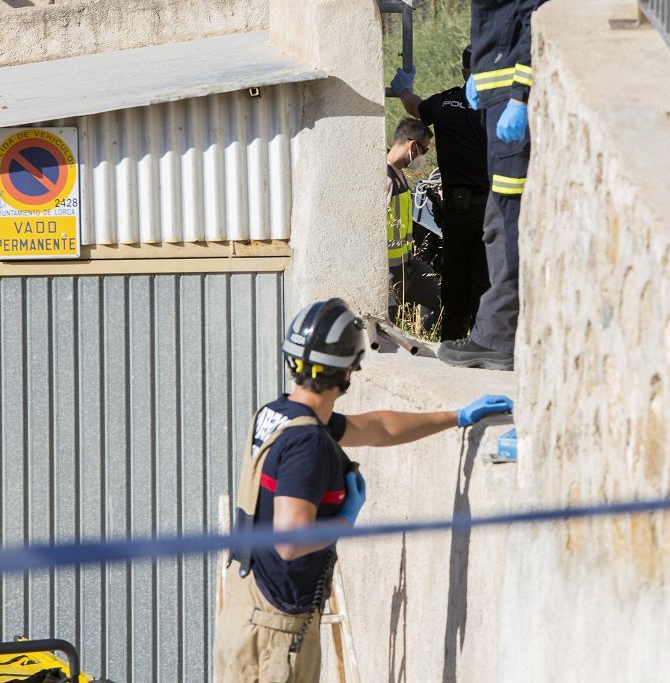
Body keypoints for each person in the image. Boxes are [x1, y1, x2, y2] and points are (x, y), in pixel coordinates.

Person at [213, 298, 511, 682]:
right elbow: (290, 540)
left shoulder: (279, 414)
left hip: (248, 611)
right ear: (349, 372)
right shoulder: (309, 444)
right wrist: (344, 519)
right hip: (274, 635)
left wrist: (457, 416)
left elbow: (377, 428)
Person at [436, 0, 550, 370]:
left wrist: (519, 93)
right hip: (496, 102)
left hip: (510, 104)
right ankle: (495, 334)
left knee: (505, 223)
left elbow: (537, 17)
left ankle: (496, 338)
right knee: (497, 224)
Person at [390, 46, 491, 341]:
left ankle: (453, 348)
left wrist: (404, 88)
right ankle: (489, 347)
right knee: (490, 287)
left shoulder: (448, 105)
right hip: (497, 212)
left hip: (460, 214)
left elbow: (415, 106)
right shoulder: (502, 108)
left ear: (464, 73)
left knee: (456, 292)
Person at [385, 118, 442, 328]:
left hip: (408, 264)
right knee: (388, 323)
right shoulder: (386, 178)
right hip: (389, 269)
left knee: (442, 301)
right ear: (412, 145)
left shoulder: (399, 174)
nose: (422, 156)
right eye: (424, 150)